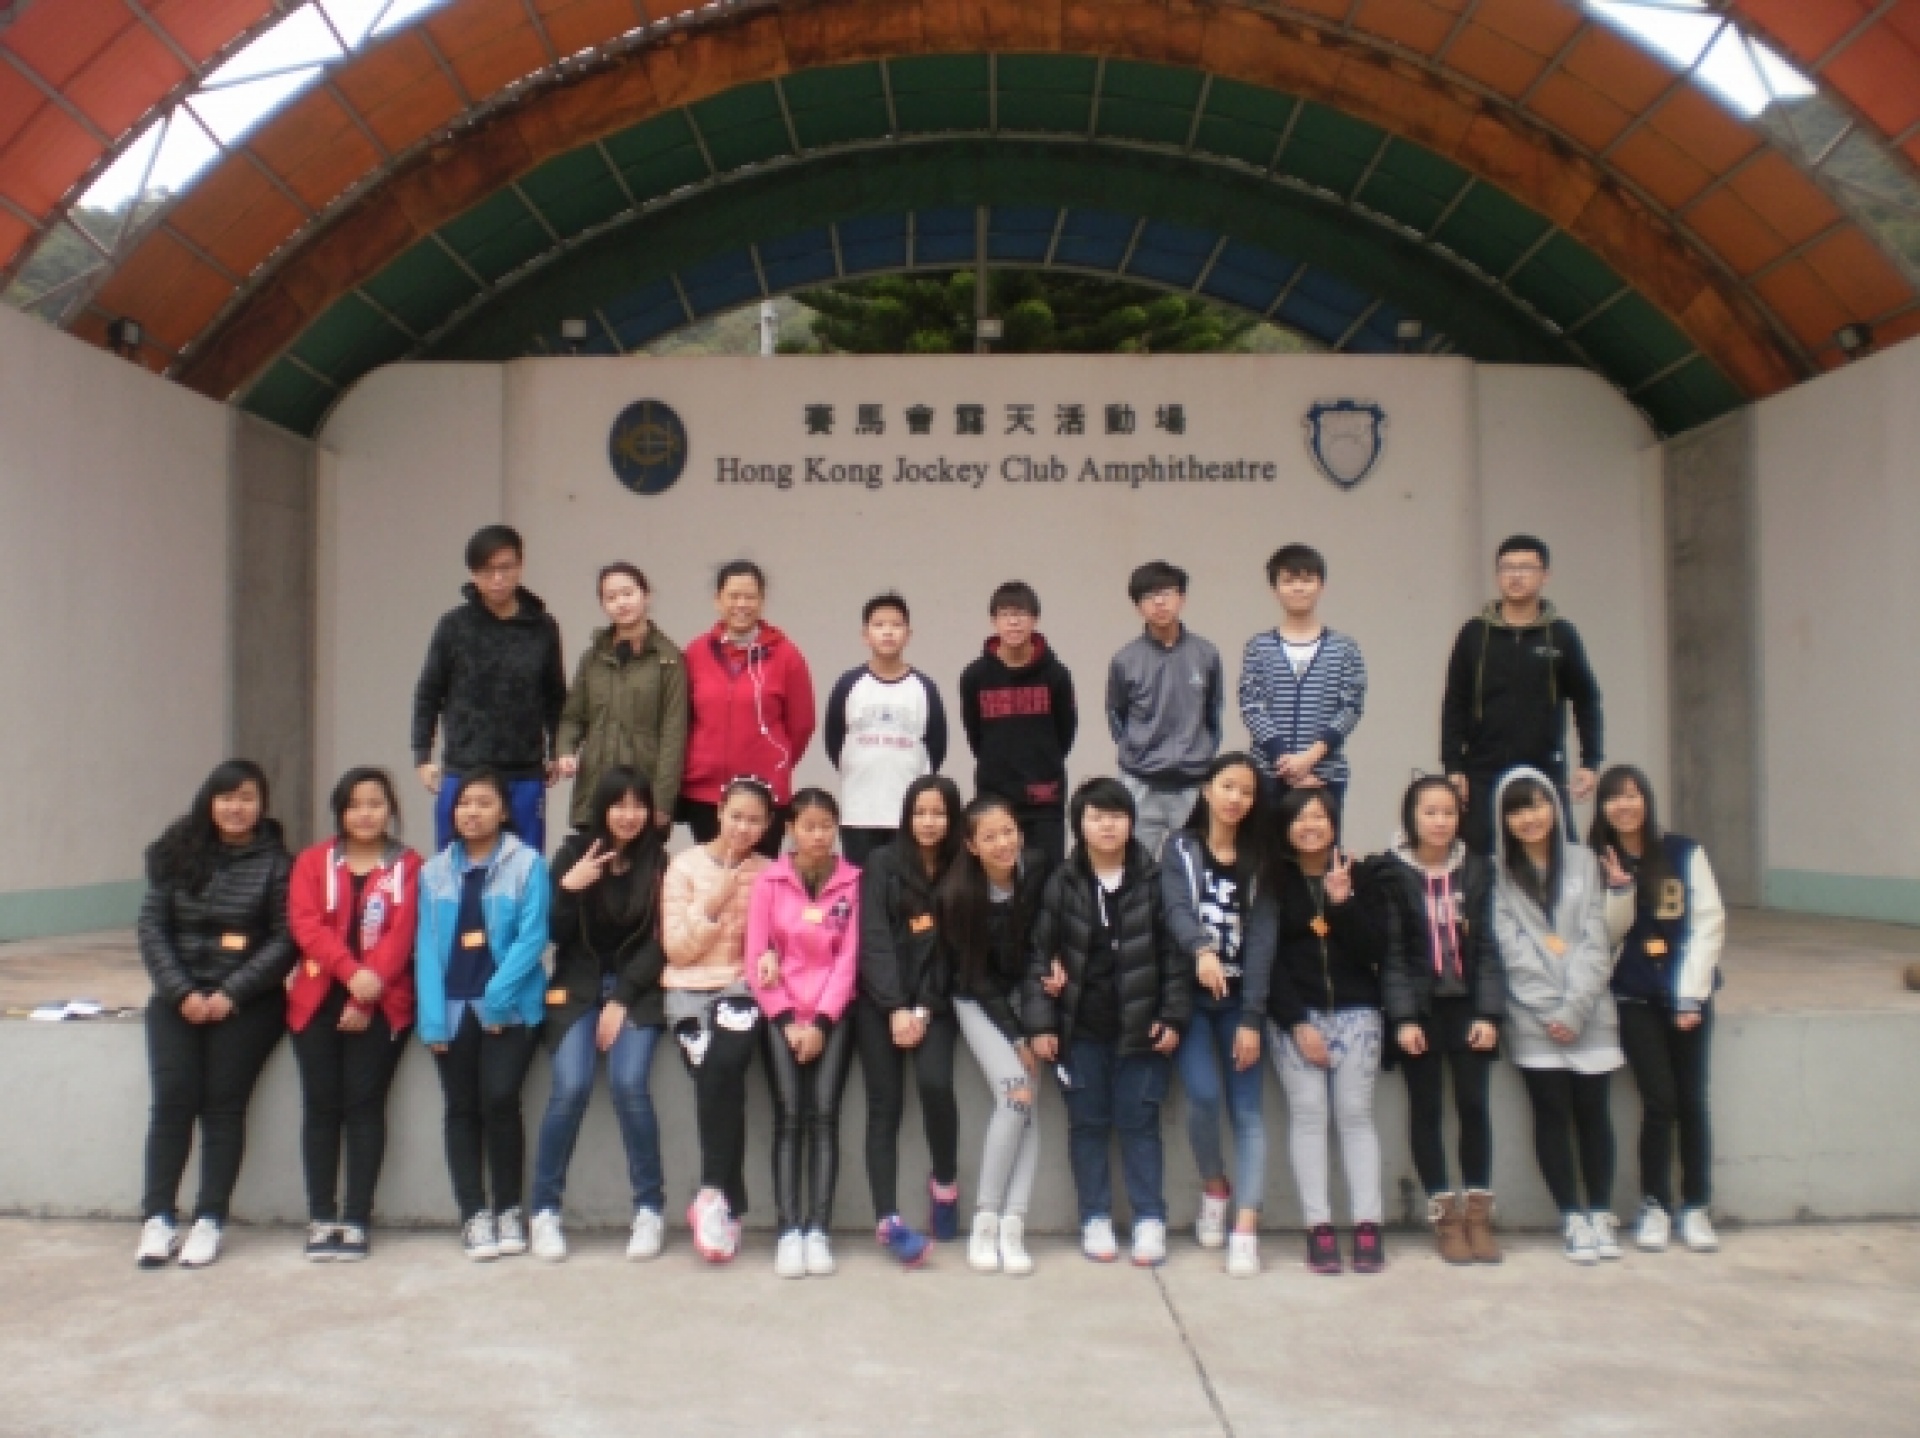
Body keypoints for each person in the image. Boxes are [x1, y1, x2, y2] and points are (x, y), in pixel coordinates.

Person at [134, 759, 294, 1270]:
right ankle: (158, 1218)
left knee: (223, 1105)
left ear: (262, 805)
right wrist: (181, 992)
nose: (236, 808)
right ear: (210, 801)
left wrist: (230, 993)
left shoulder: (277, 865)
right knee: (173, 1101)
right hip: (177, 1000)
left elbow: (285, 940)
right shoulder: (176, 852)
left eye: (247, 798)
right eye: (227, 797)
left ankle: (209, 1219)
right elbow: (152, 928)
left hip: (248, 1004)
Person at [1025, 778, 1187, 1267]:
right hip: (1081, 1030)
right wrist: (1042, 1024)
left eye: (1116, 816)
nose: (1107, 826)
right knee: (1088, 1125)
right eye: (1096, 817)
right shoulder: (1063, 881)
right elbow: (1040, 955)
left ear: (1132, 822)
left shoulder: (1154, 879)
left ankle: (1149, 1220)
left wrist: (1172, 1016)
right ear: (1079, 825)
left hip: (1142, 1030)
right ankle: (1094, 1217)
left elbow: (1174, 955)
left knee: (1140, 1125)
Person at [528, 768, 672, 1264]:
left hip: (636, 990)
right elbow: (551, 935)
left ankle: (649, 1210)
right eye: (618, 805)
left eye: (638, 805)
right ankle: (544, 1211)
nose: (629, 816)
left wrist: (622, 998)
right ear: (601, 808)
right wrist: (568, 889)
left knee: (629, 1084)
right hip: (576, 986)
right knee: (570, 1086)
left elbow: (661, 941)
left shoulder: (658, 861)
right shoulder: (573, 853)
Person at [414, 769, 551, 1261]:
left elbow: (533, 937)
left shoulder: (527, 864)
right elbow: (426, 949)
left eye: (484, 802)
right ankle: (473, 1213)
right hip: (452, 1007)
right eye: (464, 803)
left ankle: (509, 1208)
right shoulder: (433, 873)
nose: (471, 811)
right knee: (460, 1107)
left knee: (500, 1099)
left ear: (504, 811)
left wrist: (497, 997)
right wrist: (432, 1018)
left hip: (510, 1008)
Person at [286, 768, 421, 1262]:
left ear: (391, 810)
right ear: (340, 812)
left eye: (375, 804)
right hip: (318, 1001)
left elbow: (402, 935)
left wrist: (365, 998)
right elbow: (307, 925)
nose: (365, 814)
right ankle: (321, 1216)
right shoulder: (313, 862)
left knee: (365, 1107)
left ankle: (357, 1218)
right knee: (321, 1107)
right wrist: (350, 974)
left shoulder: (409, 866)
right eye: (354, 805)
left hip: (381, 1003)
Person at [1590, 765, 1725, 1255]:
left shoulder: (1684, 852)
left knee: (1692, 1102)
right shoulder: (1595, 860)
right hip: (1634, 997)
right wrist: (1619, 892)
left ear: (1646, 800)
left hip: (1687, 997)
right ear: (1602, 808)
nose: (1624, 806)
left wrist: (1691, 995)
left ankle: (1696, 1206)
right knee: (1660, 1102)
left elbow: (1708, 922)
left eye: (1632, 795)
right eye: (1613, 798)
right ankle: (1655, 1205)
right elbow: (1603, 936)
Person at [1372, 776, 1504, 1265]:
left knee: (1473, 1104)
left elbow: (1487, 945)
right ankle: (1445, 1217)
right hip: (1420, 1011)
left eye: (1448, 812)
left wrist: (1489, 1012)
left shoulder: (1477, 869)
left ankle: (1478, 1215)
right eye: (1430, 812)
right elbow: (1392, 954)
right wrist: (1403, 1018)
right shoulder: (1392, 874)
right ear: (1412, 816)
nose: (1440, 822)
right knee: (1426, 1109)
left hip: (1467, 1006)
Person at [1492, 767, 1621, 1266]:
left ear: (1555, 806)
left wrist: (1575, 1007)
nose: (1530, 818)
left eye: (1538, 804)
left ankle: (1601, 1212)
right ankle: (1572, 1216)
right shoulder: (1498, 872)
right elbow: (1510, 948)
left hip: (1590, 1011)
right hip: (1533, 1018)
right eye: (1517, 810)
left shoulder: (1585, 861)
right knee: (1551, 1114)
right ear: (1503, 819)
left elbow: (1596, 937)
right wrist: (1550, 1008)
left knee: (1594, 1113)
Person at [1160, 753, 1277, 1278]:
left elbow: (1263, 941)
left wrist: (1252, 1017)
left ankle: (1246, 1228)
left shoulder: (1262, 859)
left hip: (1239, 1003)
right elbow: (1175, 909)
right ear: (1207, 790)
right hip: (1190, 998)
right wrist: (1201, 950)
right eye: (1228, 787)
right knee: (1204, 1096)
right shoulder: (1180, 848)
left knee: (1248, 1112)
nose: (1236, 799)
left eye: (1246, 792)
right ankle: (1214, 1185)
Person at [1265, 787, 1386, 1275]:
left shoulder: (1361, 875)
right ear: (1285, 827)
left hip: (1357, 1014)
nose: (1310, 825)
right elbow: (1267, 960)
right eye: (1300, 818)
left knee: (1355, 1115)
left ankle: (1368, 1225)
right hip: (1298, 1018)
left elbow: (1374, 949)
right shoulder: (1273, 881)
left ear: (1334, 822)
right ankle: (1318, 1227)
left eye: (1319, 816)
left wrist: (1343, 903)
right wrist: (1296, 1022)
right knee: (1309, 1115)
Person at [747, 789, 862, 1279]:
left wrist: (820, 1023)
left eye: (826, 826)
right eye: (808, 826)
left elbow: (849, 960)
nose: (818, 835)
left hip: (833, 1016)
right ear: (790, 829)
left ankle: (818, 1230)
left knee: (825, 1117)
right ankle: (788, 1230)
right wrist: (786, 1020)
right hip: (782, 1015)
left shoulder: (853, 882)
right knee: (790, 1116)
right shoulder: (769, 883)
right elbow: (756, 958)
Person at [664, 776, 776, 1263]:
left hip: (740, 988)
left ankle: (711, 1193)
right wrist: (714, 900)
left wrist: (770, 956)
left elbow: (778, 939)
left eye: (754, 821)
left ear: (767, 826)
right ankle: (729, 1205)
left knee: (724, 1065)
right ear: (719, 813)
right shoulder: (683, 867)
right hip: (687, 990)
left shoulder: (771, 873)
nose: (743, 828)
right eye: (736, 817)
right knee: (719, 1079)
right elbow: (677, 950)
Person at [855, 777, 965, 1267]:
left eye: (939, 813)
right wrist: (895, 1007)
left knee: (935, 1084)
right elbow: (874, 937)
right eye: (920, 812)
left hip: (934, 1003)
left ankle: (945, 1184)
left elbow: (952, 949)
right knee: (885, 1104)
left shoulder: (962, 866)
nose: (929, 822)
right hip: (881, 1002)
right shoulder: (882, 862)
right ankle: (888, 1219)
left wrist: (920, 1009)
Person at [939, 796, 1051, 1276]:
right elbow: (976, 977)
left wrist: (1039, 1012)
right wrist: (1018, 1038)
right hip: (976, 999)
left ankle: (1013, 1225)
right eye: (990, 837)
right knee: (1016, 1094)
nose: (1003, 843)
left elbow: (1043, 943)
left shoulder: (1037, 870)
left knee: (1027, 1108)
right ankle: (986, 1220)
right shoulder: (959, 894)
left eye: (1009, 832)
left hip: (1027, 995)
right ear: (971, 845)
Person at [1441, 535, 1604, 854]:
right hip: (1483, 768)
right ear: (1497, 575)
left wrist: (1590, 761)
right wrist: (1453, 766)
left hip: (1544, 766)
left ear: (1545, 575)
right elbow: (1455, 702)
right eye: (1507, 568)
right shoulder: (1474, 634)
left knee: (1553, 853)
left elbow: (1587, 701)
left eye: (1526, 568)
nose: (1516, 575)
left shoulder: (1562, 635)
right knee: (1479, 856)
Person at [411, 524, 568, 853]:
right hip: (464, 769)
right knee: (454, 865)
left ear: (520, 566)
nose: (497, 578)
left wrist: (558, 748)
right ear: (473, 574)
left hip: (524, 771)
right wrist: (422, 756)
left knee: (525, 865)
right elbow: (429, 692)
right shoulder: (454, 625)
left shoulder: (543, 627)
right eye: (487, 570)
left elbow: (555, 695)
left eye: (506, 567)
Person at [678, 561, 816, 859]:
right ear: (718, 600)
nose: (741, 604)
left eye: (750, 597)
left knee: (759, 878)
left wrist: (774, 763)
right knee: (710, 875)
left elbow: (802, 725)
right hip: (706, 793)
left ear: (762, 601)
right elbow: (682, 719)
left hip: (764, 793)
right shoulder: (696, 652)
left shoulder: (787, 656)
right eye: (733, 596)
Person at [554, 562, 688, 833]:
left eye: (628, 593)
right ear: (603, 604)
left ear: (646, 595)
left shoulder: (668, 660)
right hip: (596, 786)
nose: (621, 603)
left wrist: (662, 801)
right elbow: (573, 716)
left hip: (642, 789)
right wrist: (565, 750)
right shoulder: (593, 658)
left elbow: (674, 736)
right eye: (611, 597)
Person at [1107, 560, 1225, 858]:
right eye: (1149, 596)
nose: (1159, 602)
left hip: (1192, 781)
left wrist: (1201, 752)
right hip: (1141, 780)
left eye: (1167, 593)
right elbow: (1116, 715)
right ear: (1138, 606)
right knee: (1137, 864)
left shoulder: (1206, 653)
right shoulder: (1125, 659)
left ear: (1182, 598)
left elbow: (1213, 712)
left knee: (1193, 864)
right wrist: (1136, 751)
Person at [959, 580, 1078, 867]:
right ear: (993, 622)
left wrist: (1042, 761)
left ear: (1035, 619)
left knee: (1047, 874)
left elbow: (1066, 733)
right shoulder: (975, 676)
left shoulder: (1057, 675)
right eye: (1005, 614)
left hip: (1044, 796)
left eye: (1021, 614)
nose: (1013, 622)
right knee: (996, 873)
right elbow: (975, 735)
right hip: (994, 792)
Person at [825, 593, 949, 867]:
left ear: (908, 634)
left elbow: (936, 746)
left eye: (896, 625)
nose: (888, 632)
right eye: (879, 625)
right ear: (865, 635)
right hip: (859, 812)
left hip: (910, 814)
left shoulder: (924, 687)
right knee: (863, 883)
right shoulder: (849, 684)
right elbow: (834, 741)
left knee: (909, 884)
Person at [1238, 544, 1368, 806]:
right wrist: (1285, 761)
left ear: (1322, 586)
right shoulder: (1259, 647)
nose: (1298, 588)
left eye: (1307, 580)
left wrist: (1310, 758)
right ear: (1274, 589)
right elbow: (1251, 706)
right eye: (1288, 581)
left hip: (1325, 774)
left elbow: (1351, 708)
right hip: (1268, 773)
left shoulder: (1344, 648)